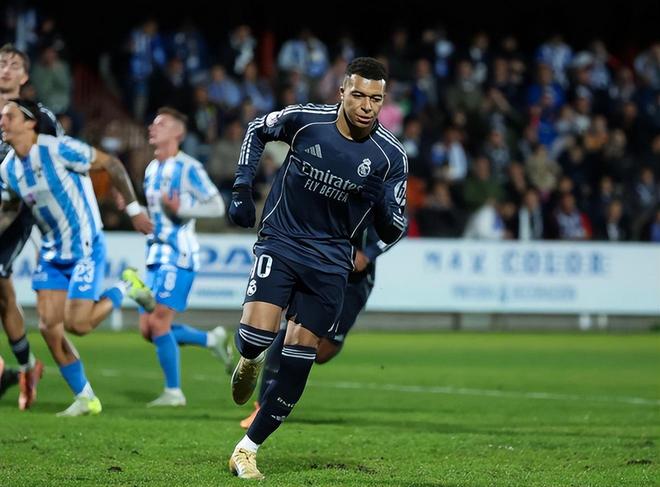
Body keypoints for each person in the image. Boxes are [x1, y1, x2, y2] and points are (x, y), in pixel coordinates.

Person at [226, 57, 408, 479]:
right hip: (283, 242)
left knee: (299, 361)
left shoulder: (391, 157)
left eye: (376, 99)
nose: (366, 106)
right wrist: (241, 188)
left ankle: (247, 449)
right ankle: (251, 358)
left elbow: (395, 227)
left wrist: (383, 208)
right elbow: (256, 129)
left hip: (330, 262)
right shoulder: (306, 120)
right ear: (342, 92)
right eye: (358, 95)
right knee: (255, 337)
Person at [0, 98, 154, 416]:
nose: (2, 122)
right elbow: (11, 208)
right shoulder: (8, 169)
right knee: (48, 327)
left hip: (84, 246)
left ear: (30, 123)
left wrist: (135, 210)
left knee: (78, 325)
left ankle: (127, 285)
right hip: (52, 252)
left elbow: (112, 164)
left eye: (9, 116)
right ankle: (85, 398)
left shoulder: (58, 149)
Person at [120, 107, 231, 407]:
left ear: (178, 133)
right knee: (148, 330)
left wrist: (182, 209)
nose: (152, 127)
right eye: (153, 123)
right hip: (155, 253)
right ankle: (211, 340)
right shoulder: (151, 169)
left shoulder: (188, 167)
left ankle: (174, 392)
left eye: (161, 124)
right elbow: (158, 213)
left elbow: (217, 206)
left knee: (159, 323)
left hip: (179, 254)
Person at [239, 225, 398, 429]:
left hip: (353, 282)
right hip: (317, 266)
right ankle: (264, 405)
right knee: (293, 329)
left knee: (322, 352)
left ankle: (278, 378)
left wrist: (368, 253)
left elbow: (400, 225)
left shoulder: (371, 205)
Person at [0, 43, 62, 410]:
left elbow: (58, 164)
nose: (6, 68)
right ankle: (26, 368)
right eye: (1, 62)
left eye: (14, 64)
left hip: (15, 215)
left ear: (24, 76)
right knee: (4, 295)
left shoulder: (39, 117)